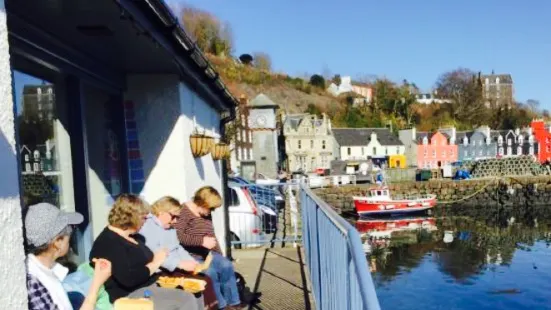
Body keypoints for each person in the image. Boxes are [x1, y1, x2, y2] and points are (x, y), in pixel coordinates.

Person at [89, 194, 203, 310]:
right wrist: (155, 263)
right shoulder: (109, 243)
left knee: (196, 292)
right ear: (132, 217)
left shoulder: (135, 237)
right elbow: (129, 279)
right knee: (186, 299)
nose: (146, 221)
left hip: (150, 285)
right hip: (131, 296)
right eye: (144, 217)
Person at [24, 202, 113, 310]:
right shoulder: (35, 284)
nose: (71, 236)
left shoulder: (41, 272)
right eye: (71, 228)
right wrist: (97, 283)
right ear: (58, 242)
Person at [139, 196, 219, 309]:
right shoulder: (148, 227)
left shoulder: (170, 227)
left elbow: (178, 248)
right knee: (202, 282)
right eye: (173, 217)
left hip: (176, 267)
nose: (175, 221)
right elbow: (154, 255)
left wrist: (191, 262)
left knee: (206, 280)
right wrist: (179, 264)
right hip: (161, 271)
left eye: (177, 217)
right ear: (161, 213)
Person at [174, 186, 244, 310]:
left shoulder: (206, 213)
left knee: (226, 265)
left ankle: (233, 304)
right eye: (210, 208)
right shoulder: (184, 211)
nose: (211, 211)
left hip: (208, 254)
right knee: (210, 273)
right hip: (190, 255)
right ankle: (220, 306)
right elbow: (179, 236)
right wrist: (201, 241)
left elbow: (211, 236)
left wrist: (220, 255)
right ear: (202, 203)